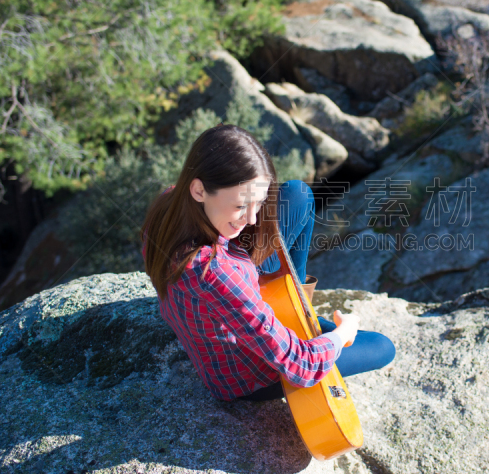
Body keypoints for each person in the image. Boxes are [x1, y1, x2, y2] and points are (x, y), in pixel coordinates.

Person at [141, 123, 395, 402]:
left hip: (234, 277)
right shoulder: (213, 272)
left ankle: (295, 305)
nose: (251, 218)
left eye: (259, 202)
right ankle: (295, 320)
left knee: (297, 195)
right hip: (247, 374)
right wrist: (342, 334)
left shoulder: (170, 202)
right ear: (199, 190)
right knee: (383, 347)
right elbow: (302, 365)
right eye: (240, 205)